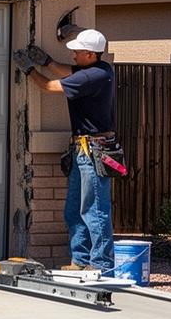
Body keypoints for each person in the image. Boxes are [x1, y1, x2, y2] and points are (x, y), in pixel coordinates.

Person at [20, 28, 117, 271]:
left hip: (94, 151)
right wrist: (49, 62)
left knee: (94, 210)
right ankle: (80, 260)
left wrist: (30, 70)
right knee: (74, 209)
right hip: (83, 150)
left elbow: (50, 87)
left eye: (77, 51)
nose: (73, 54)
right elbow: (70, 71)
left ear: (90, 54)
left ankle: (102, 265)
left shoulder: (90, 77)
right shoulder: (102, 69)